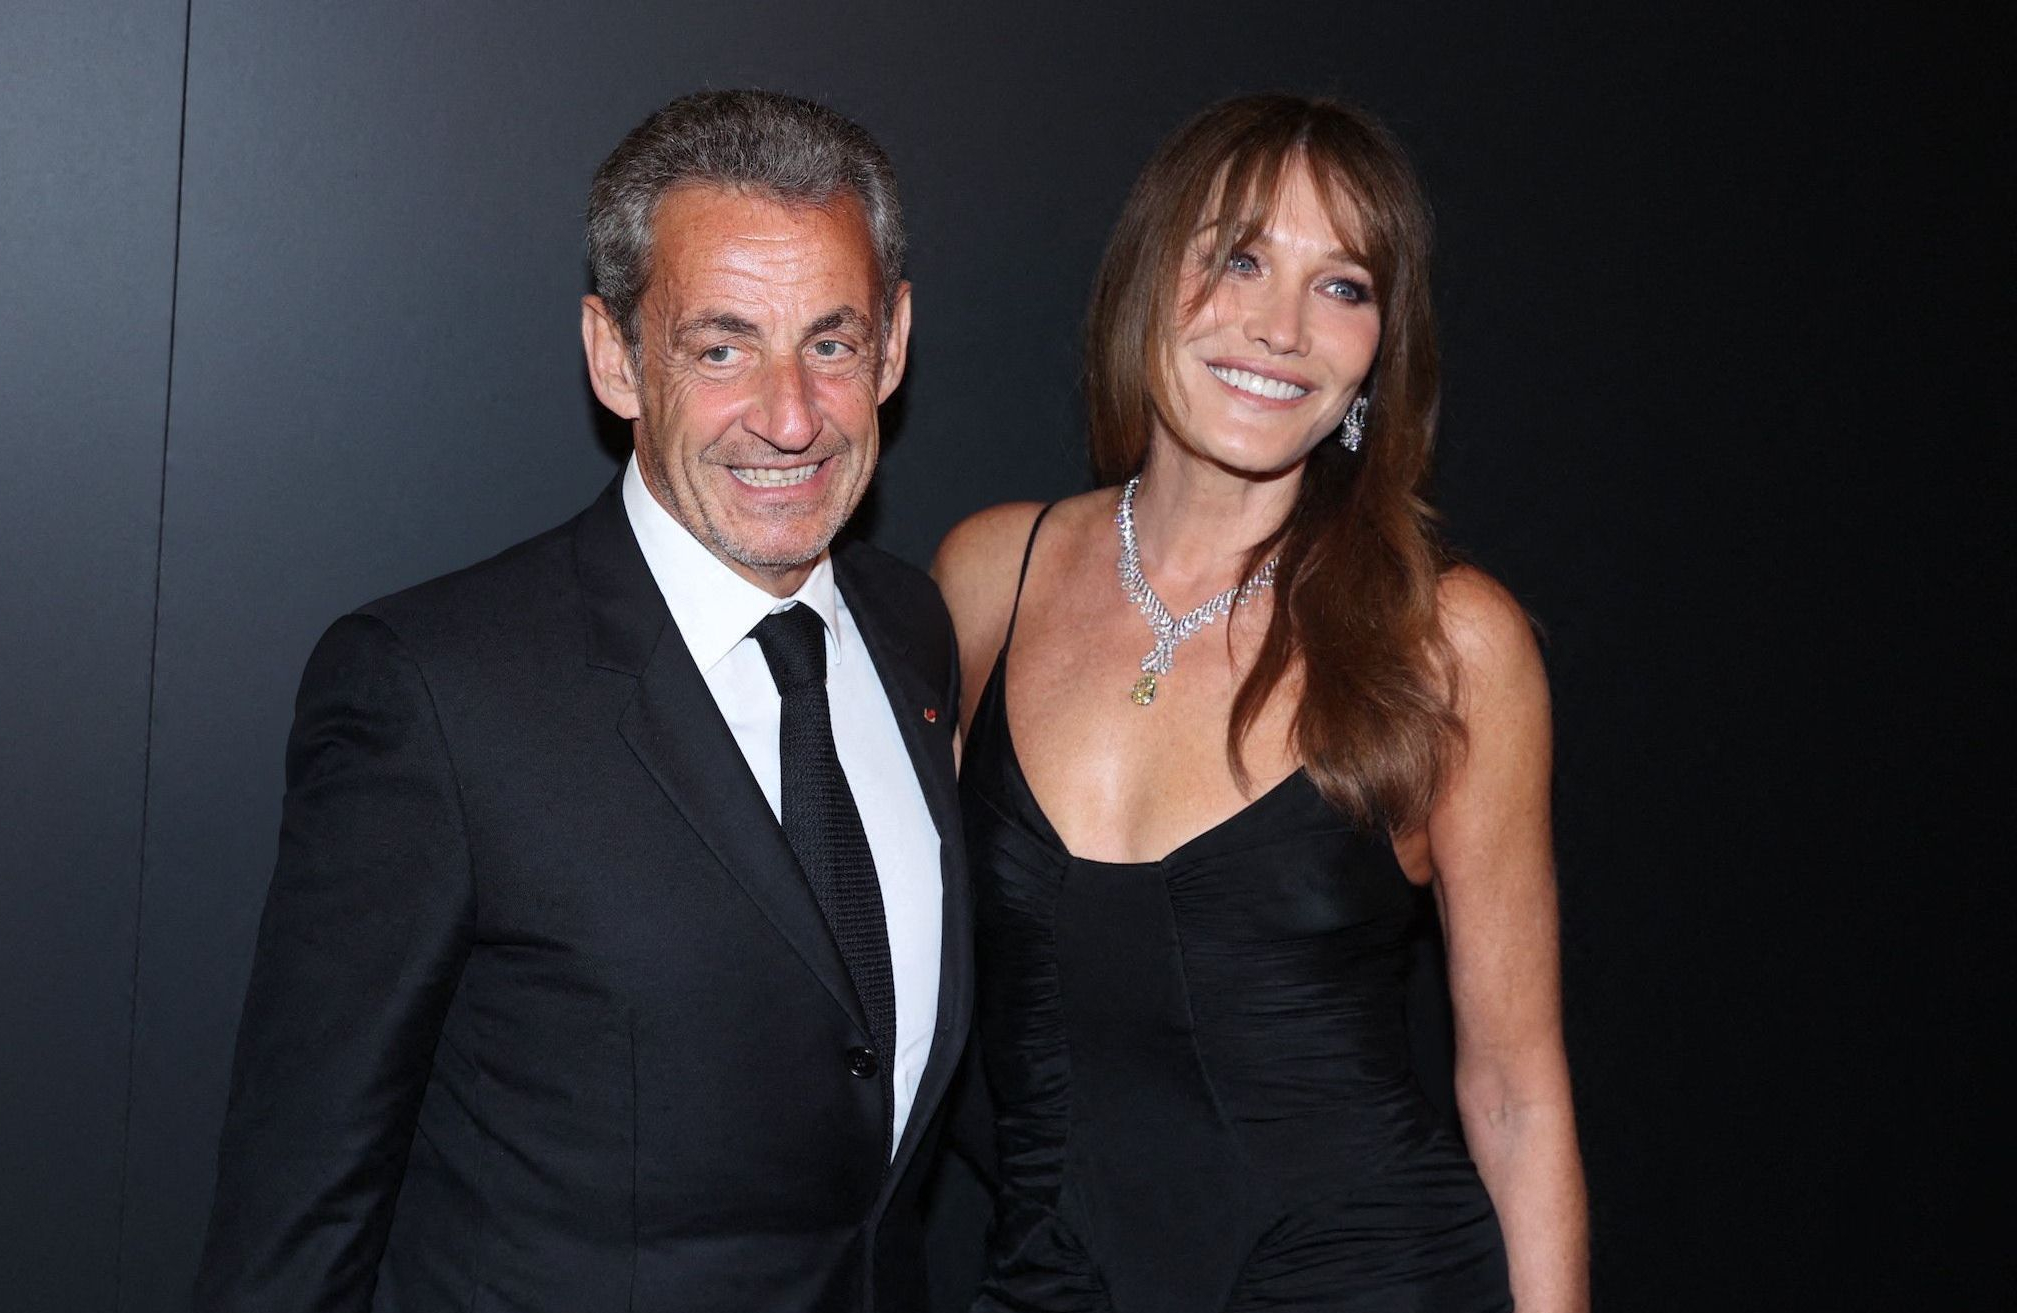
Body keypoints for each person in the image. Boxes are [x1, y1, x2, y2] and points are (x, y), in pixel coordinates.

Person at [195, 89, 970, 1313]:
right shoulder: (433, 692)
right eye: (721, 348)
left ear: (895, 341)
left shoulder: (913, 631)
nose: (790, 417)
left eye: (831, 343)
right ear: (615, 357)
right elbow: (300, 1209)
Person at [932, 95, 1589, 1311]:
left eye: (1341, 286)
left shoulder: (1447, 641)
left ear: (1379, 349)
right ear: (1147, 281)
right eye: (1238, 259)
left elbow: (1513, 1089)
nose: (1280, 327)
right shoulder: (986, 577)